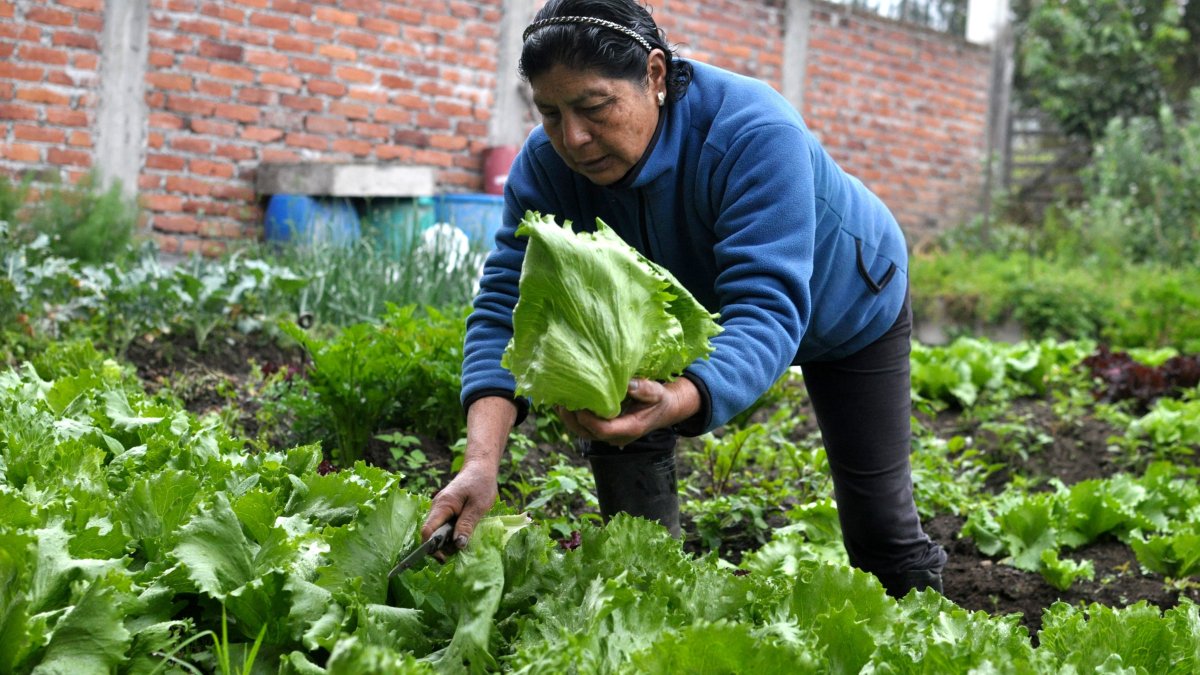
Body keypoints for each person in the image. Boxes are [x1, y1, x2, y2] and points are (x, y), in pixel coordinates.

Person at [422, 0, 947, 597]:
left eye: (594, 108)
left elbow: (766, 306)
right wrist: (481, 462)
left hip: (849, 302)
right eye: (549, 113)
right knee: (634, 535)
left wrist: (681, 398)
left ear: (654, 75)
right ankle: (652, 614)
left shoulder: (753, 134)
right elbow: (502, 310)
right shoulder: (546, 168)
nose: (574, 137)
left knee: (879, 526)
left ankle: (925, 629)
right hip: (673, 313)